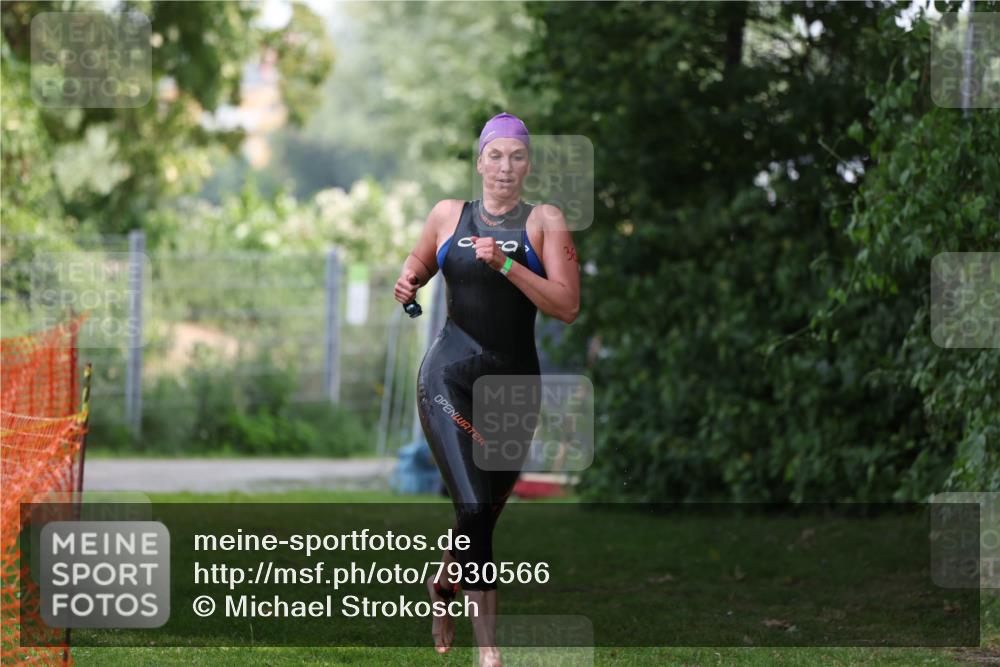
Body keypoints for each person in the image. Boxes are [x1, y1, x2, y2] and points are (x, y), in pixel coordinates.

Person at [393, 112, 580, 667]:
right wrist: (408, 278)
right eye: (494, 155)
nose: (504, 166)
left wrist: (507, 267)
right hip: (450, 375)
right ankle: (489, 652)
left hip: (516, 386)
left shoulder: (545, 222)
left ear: (528, 166)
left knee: (488, 509)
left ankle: (443, 580)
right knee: (474, 505)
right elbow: (421, 259)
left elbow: (567, 307)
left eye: (516, 156)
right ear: (479, 162)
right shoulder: (449, 215)